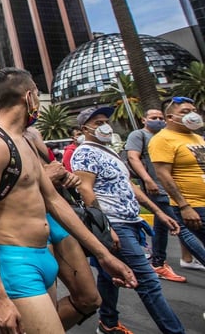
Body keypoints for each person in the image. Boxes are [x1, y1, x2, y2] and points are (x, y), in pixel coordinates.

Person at [0, 68, 137, 334]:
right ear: (29, 97)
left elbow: (54, 202)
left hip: (44, 256)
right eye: (36, 92)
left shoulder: (21, 140)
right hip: (18, 262)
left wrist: (104, 255)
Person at [72, 105, 185, 334]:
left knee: (107, 276)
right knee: (148, 282)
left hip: (131, 222)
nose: (105, 126)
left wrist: (158, 212)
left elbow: (130, 187)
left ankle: (108, 322)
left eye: (106, 121)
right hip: (116, 224)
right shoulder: (85, 153)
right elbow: (86, 190)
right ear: (84, 128)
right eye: (98, 123)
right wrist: (105, 227)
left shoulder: (110, 152)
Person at [23, 127, 103, 330]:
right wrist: (45, 178)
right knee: (45, 309)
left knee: (89, 298)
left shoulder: (34, 133)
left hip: (58, 217)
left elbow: (50, 172)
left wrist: (66, 177)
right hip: (26, 224)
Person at [125, 109, 187, 282]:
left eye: (161, 118)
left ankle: (159, 261)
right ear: (144, 119)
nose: (158, 120)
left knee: (162, 225)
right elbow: (133, 157)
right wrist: (147, 179)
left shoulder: (168, 136)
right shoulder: (139, 135)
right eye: (154, 118)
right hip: (157, 188)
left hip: (176, 188)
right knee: (180, 226)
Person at [149, 96, 205, 271]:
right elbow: (163, 174)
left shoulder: (196, 138)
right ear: (170, 118)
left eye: (194, 111)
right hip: (194, 205)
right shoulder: (162, 139)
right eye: (185, 112)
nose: (193, 115)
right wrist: (184, 206)